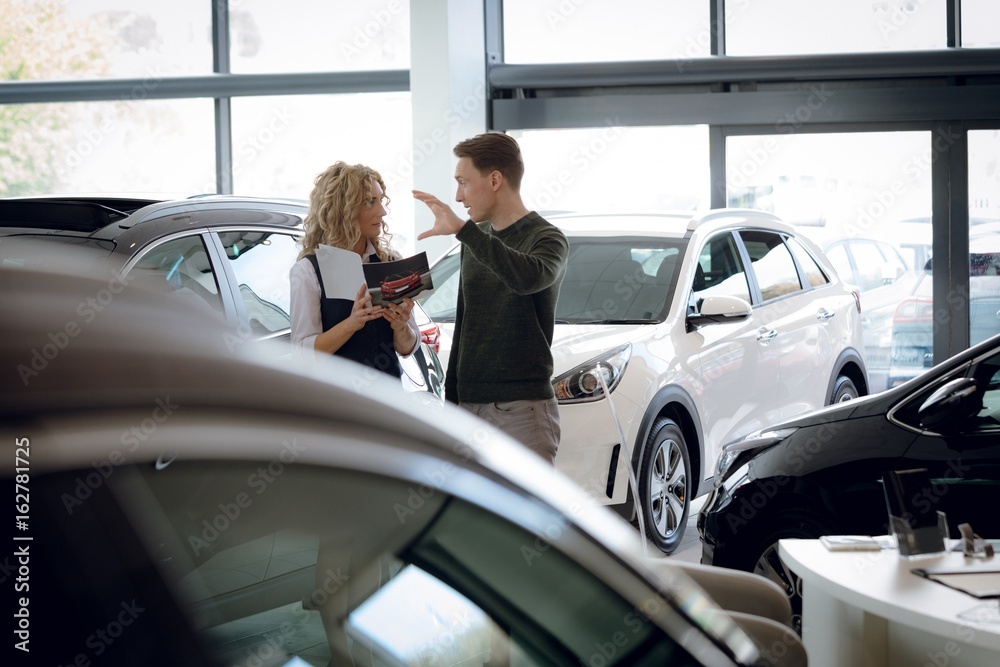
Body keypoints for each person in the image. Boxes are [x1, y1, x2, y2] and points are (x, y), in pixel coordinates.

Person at [413, 132, 568, 463]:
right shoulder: (476, 238)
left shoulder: (548, 239)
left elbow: (526, 278)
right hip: (468, 410)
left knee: (525, 500)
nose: (458, 196)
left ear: (495, 180)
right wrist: (452, 406)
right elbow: (466, 325)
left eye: (463, 183)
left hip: (522, 411)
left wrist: (464, 232)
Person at [290, 161, 419, 378]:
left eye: (381, 200)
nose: (382, 211)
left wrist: (401, 327)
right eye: (370, 202)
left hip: (387, 394)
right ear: (344, 210)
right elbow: (301, 355)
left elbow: (407, 348)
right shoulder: (308, 271)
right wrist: (351, 324)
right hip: (336, 397)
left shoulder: (391, 261)